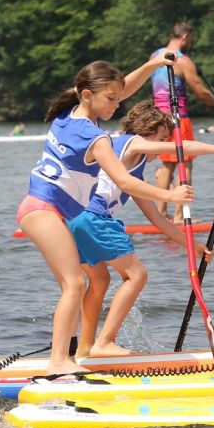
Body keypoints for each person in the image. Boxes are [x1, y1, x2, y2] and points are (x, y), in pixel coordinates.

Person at [18, 57, 195, 378]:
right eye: (111, 99)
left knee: (91, 280)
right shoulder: (96, 138)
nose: (118, 104)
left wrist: (153, 63)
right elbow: (125, 181)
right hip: (43, 209)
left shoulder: (67, 113)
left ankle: (79, 352)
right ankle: (59, 361)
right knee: (74, 283)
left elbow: (121, 86)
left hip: (48, 212)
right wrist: (171, 195)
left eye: (118, 97)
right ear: (87, 95)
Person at [70, 101, 214, 357]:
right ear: (148, 132)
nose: (164, 146)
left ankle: (85, 351)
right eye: (162, 138)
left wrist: (194, 246)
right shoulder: (131, 142)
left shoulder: (134, 172)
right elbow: (182, 148)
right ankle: (104, 343)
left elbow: (159, 220)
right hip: (93, 218)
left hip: (74, 219)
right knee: (137, 276)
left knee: (99, 281)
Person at [149, 23, 214, 213]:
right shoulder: (184, 61)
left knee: (166, 166)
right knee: (184, 165)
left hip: (158, 119)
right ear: (185, 36)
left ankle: (161, 215)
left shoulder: (155, 56)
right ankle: (179, 216)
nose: (190, 43)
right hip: (179, 118)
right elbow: (201, 93)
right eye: (190, 40)